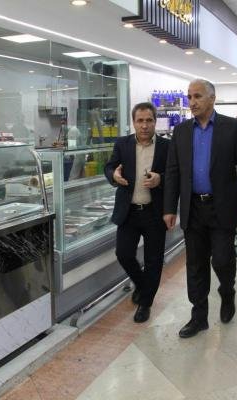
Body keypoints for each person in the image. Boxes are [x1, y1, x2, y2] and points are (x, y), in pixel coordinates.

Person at [164, 79, 237, 338]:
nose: (192, 102)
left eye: (198, 96)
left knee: (222, 259)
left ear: (212, 98)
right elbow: (173, 171)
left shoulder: (232, 127)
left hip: (222, 206)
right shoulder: (181, 131)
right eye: (189, 97)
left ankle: (227, 292)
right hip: (193, 207)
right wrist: (169, 208)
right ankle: (199, 316)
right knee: (195, 265)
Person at [105, 102, 169, 323]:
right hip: (129, 212)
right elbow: (109, 167)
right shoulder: (122, 144)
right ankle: (143, 286)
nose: (144, 125)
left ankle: (145, 303)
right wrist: (114, 176)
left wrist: (160, 179)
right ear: (133, 122)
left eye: (149, 120)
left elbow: (176, 175)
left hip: (154, 212)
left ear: (155, 122)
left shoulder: (166, 146)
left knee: (154, 260)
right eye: (140, 121)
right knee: (123, 254)